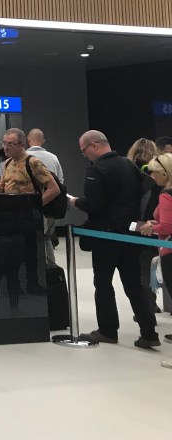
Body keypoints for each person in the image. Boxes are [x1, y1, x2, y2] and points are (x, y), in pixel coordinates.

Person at [68, 130, 159, 348]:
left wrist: (76, 202)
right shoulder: (129, 165)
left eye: (84, 151)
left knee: (103, 283)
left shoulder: (97, 170)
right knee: (134, 284)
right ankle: (149, 333)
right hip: (130, 234)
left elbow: (94, 204)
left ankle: (108, 331)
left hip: (105, 235)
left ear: (93, 146)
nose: (85, 155)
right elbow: (147, 191)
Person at [0, 128, 59, 294]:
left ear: (21, 145)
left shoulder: (33, 163)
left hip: (28, 215)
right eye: (4, 143)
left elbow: (54, 189)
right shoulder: (7, 163)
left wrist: (35, 205)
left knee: (30, 252)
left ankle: (32, 284)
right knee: (13, 253)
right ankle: (15, 285)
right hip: (10, 215)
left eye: (10, 144)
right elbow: (4, 186)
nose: (6, 147)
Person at [139, 152, 172, 345]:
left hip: (169, 250)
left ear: (165, 173)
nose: (152, 176)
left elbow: (167, 226)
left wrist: (152, 227)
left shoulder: (166, 195)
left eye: (155, 172)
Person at [127, 138, 162, 315]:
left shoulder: (130, 173)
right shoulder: (159, 176)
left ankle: (147, 309)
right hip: (157, 227)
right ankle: (150, 305)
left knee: (144, 271)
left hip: (139, 228)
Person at [26, 128, 64, 263]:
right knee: (47, 238)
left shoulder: (23, 158)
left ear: (28, 140)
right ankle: (51, 269)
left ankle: (35, 269)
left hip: (29, 206)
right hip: (51, 205)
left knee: (30, 239)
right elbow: (60, 182)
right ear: (43, 141)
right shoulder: (53, 158)